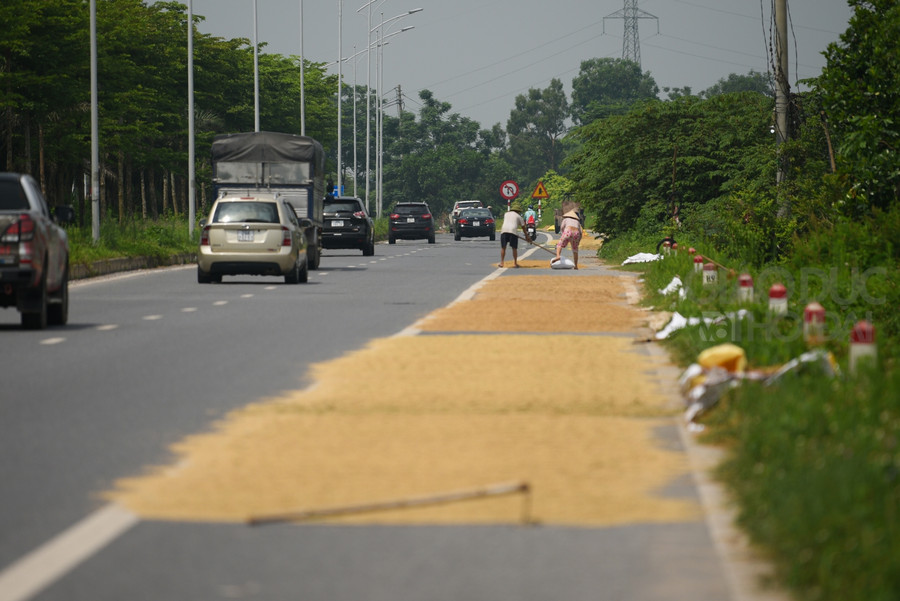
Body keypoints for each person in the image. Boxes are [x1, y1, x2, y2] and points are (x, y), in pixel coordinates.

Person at [499, 202, 531, 268]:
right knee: (514, 248)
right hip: (513, 231)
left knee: (503, 247)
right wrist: (527, 236)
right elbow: (523, 227)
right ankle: (515, 263)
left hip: (504, 231)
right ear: (518, 211)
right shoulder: (518, 216)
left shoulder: (506, 214)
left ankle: (502, 263)